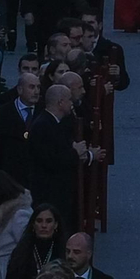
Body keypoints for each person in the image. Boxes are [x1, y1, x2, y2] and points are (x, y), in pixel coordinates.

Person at [26, 87, 86, 227]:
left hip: (58, 192)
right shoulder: (42, 126)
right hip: (49, 194)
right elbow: (51, 160)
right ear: (60, 102)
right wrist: (75, 152)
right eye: (69, 99)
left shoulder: (55, 123)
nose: (72, 103)